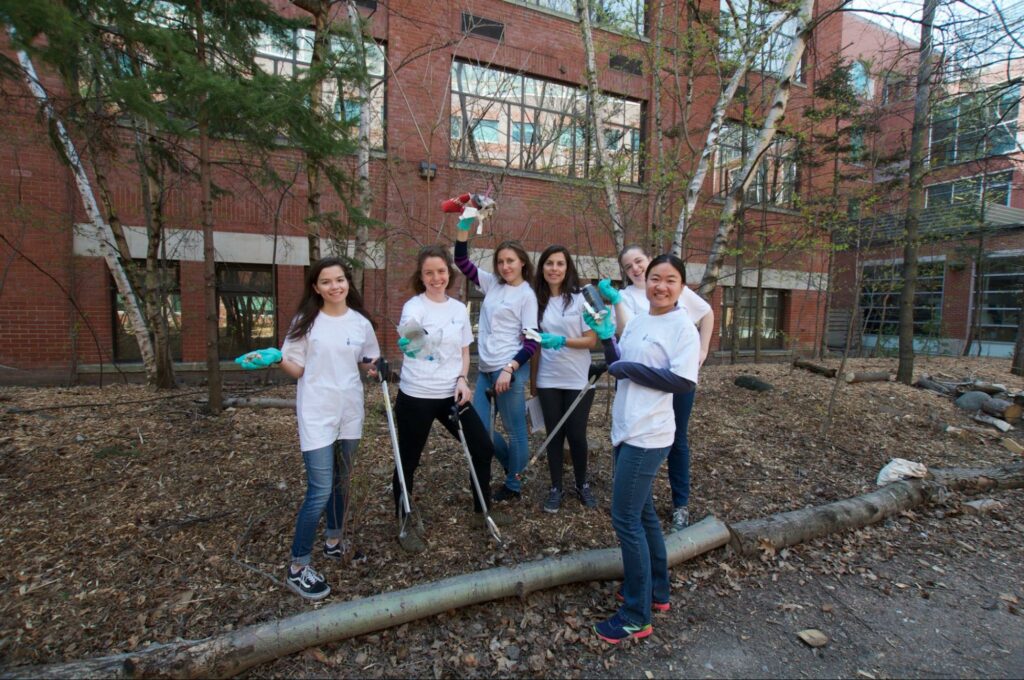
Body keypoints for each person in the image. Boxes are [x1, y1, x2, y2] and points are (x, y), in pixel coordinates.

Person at [585, 254, 700, 643]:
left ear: (681, 286)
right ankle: (658, 591)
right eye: (655, 278)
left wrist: (628, 370)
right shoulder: (638, 320)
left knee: (625, 518)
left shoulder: (682, 327)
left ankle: (636, 613)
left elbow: (683, 381)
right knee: (644, 512)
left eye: (670, 280)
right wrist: (606, 338)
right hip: (626, 428)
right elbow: (619, 363)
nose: (661, 286)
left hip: (649, 435)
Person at [392, 245, 510, 553]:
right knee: (408, 460)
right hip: (416, 394)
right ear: (421, 276)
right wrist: (411, 342)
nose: (436, 278)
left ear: (450, 273)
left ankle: (480, 510)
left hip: (451, 394)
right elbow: (412, 339)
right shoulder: (413, 307)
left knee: (483, 447)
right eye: (429, 273)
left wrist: (462, 379)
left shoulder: (458, 309)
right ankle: (403, 520)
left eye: (441, 271)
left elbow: (463, 353)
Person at [277, 257, 380, 600]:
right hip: (317, 413)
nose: (335, 286)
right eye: (326, 281)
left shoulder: (360, 323)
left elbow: (367, 361)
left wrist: (376, 369)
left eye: (340, 279)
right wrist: (276, 359)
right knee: (319, 490)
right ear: (315, 287)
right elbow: (296, 368)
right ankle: (298, 567)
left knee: (342, 481)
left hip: (350, 411)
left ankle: (334, 541)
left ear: (348, 282)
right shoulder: (306, 323)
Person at [600, 244, 713, 532]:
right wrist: (607, 335)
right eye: (629, 267)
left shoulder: (670, 282)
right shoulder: (626, 297)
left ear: (648, 261)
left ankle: (680, 504)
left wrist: (703, 350)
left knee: (675, 439)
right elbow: (626, 336)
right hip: (638, 390)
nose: (635, 268)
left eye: (638, 261)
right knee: (639, 502)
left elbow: (707, 313)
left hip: (674, 374)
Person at [453, 214, 539, 501]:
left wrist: (509, 369)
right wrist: (464, 225)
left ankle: (514, 485)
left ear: (522, 262)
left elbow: (531, 342)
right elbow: (462, 262)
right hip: (486, 369)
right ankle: (512, 465)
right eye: (501, 261)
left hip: (509, 372)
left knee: (516, 433)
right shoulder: (492, 285)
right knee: (479, 429)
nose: (505, 266)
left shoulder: (527, 295)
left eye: (510, 261)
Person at [529, 245, 599, 513]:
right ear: (542, 268)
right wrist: (533, 384)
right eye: (549, 264)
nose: (554, 269)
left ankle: (582, 484)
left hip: (578, 379)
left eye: (560, 264)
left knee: (577, 435)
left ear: (567, 268)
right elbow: (533, 344)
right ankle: (556, 487)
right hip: (548, 379)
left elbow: (592, 340)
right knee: (553, 435)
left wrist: (562, 341)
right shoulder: (537, 300)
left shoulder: (581, 298)